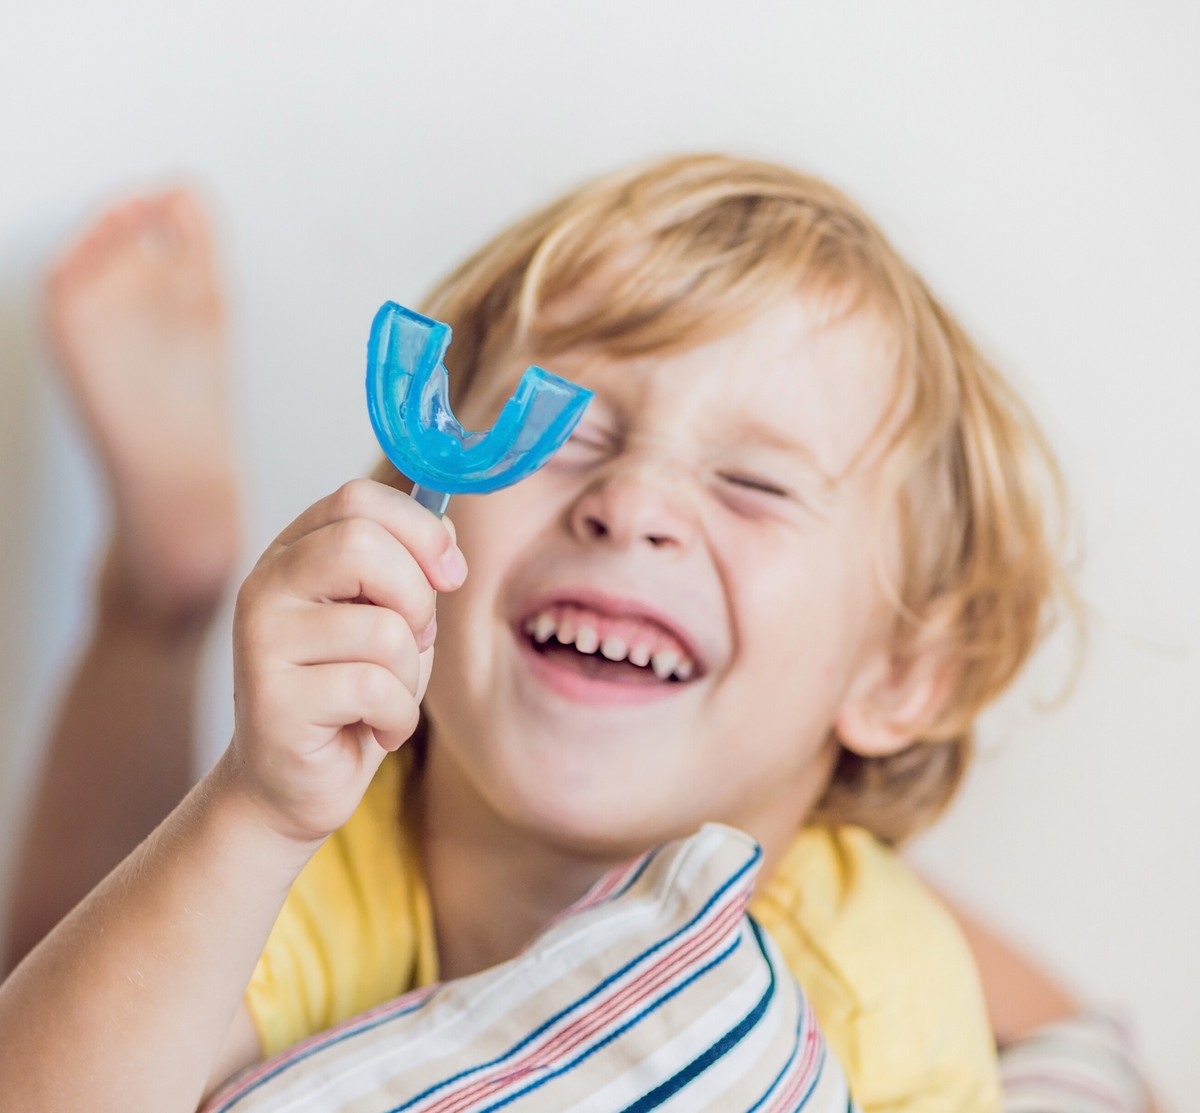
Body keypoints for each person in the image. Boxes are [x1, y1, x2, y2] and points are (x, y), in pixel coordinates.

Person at [0, 160, 1154, 1113]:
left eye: (752, 484)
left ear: (900, 675)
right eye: (567, 432)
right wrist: (251, 810)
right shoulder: (325, 851)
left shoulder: (875, 983)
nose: (634, 502)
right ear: (423, 514)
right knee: (74, 952)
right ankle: (160, 599)